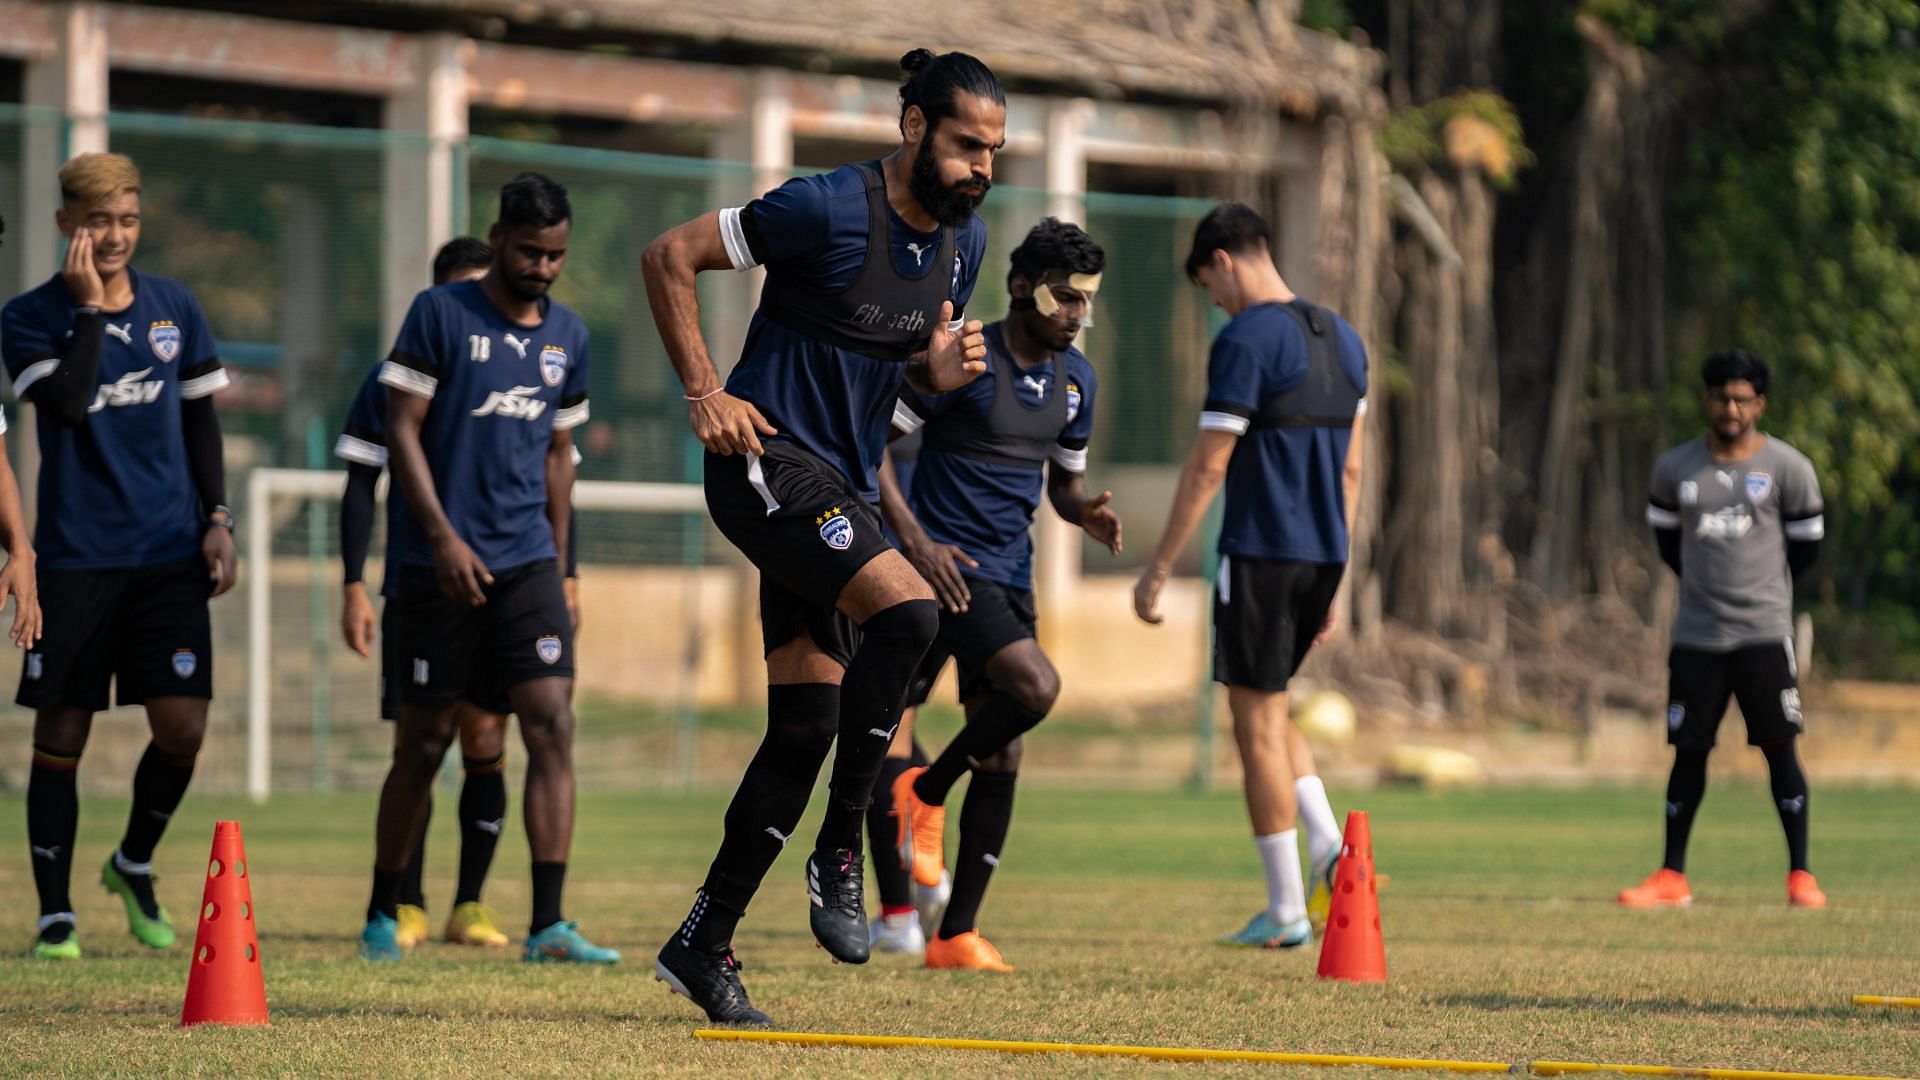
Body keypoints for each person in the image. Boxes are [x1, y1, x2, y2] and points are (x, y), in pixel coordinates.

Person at [640, 47, 1003, 1024]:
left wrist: (933, 376)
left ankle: (702, 944)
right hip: (765, 463)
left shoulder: (961, 253)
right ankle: (844, 843)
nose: (983, 166)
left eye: (996, 150)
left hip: (839, 488)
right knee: (914, 613)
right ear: (916, 127)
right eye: (969, 143)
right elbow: (667, 256)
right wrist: (705, 391)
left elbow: (892, 391)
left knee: (803, 729)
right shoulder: (825, 207)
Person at [358, 173, 613, 964]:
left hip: (528, 561)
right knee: (425, 742)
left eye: (556, 255)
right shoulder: (440, 314)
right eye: (531, 251)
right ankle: (382, 907)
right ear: (499, 238)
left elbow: (559, 457)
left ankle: (548, 923)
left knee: (552, 724)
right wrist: (438, 537)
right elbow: (402, 431)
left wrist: (565, 567)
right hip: (438, 565)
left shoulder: (567, 335)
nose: (543, 266)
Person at [3, 153, 235, 960]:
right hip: (73, 560)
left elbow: (202, 421)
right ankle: (55, 914)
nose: (114, 236)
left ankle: (132, 861)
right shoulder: (30, 316)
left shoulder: (177, 307)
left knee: (183, 727)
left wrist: (218, 517)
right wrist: (92, 314)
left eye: (128, 220)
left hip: (169, 555)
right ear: (66, 224)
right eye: (98, 221)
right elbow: (65, 406)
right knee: (61, 735)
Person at [883, 218, 1120, 973]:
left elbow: (1065, 485)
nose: (1075, 314)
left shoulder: (1076, 380)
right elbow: (875, 449)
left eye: (1086, 301)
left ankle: (954, 936)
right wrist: (916, 542)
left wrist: (1086, 512)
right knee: (1037, 687)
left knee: (1005, 745)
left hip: (1009, 578)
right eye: (1063, 298)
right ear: (1022, 287)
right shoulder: (967, 355)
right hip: (943, 571)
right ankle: (924, 800)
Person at [1131, 203, 1364, 949]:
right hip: (1323, 554)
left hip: (1263, 553)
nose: (1216, 302)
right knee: (1274, 707)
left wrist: (1160, 565)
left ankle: (1288, 909)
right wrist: (1338, 572)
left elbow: (1208, 467)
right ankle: (1332, 849)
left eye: (1210, 286)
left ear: (1224, 260)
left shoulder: (1247, 339)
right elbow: (1352, 469)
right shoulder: (1346, 339)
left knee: (1253, 727)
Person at [1620, 350, 1827, 911]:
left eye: (1741, 398)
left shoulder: (1789, 468)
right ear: (1707, 400)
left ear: (1759, 403)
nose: (1730, 407)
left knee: (1781, 751)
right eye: (1720, 397)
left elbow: (1807, 547)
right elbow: (1667, 545)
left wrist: (1764, 592)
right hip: (1697, 637)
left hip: (1762, 633)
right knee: (1689, 751)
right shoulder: (1675, 469)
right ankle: (1672, 876)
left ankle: (1801, 876)